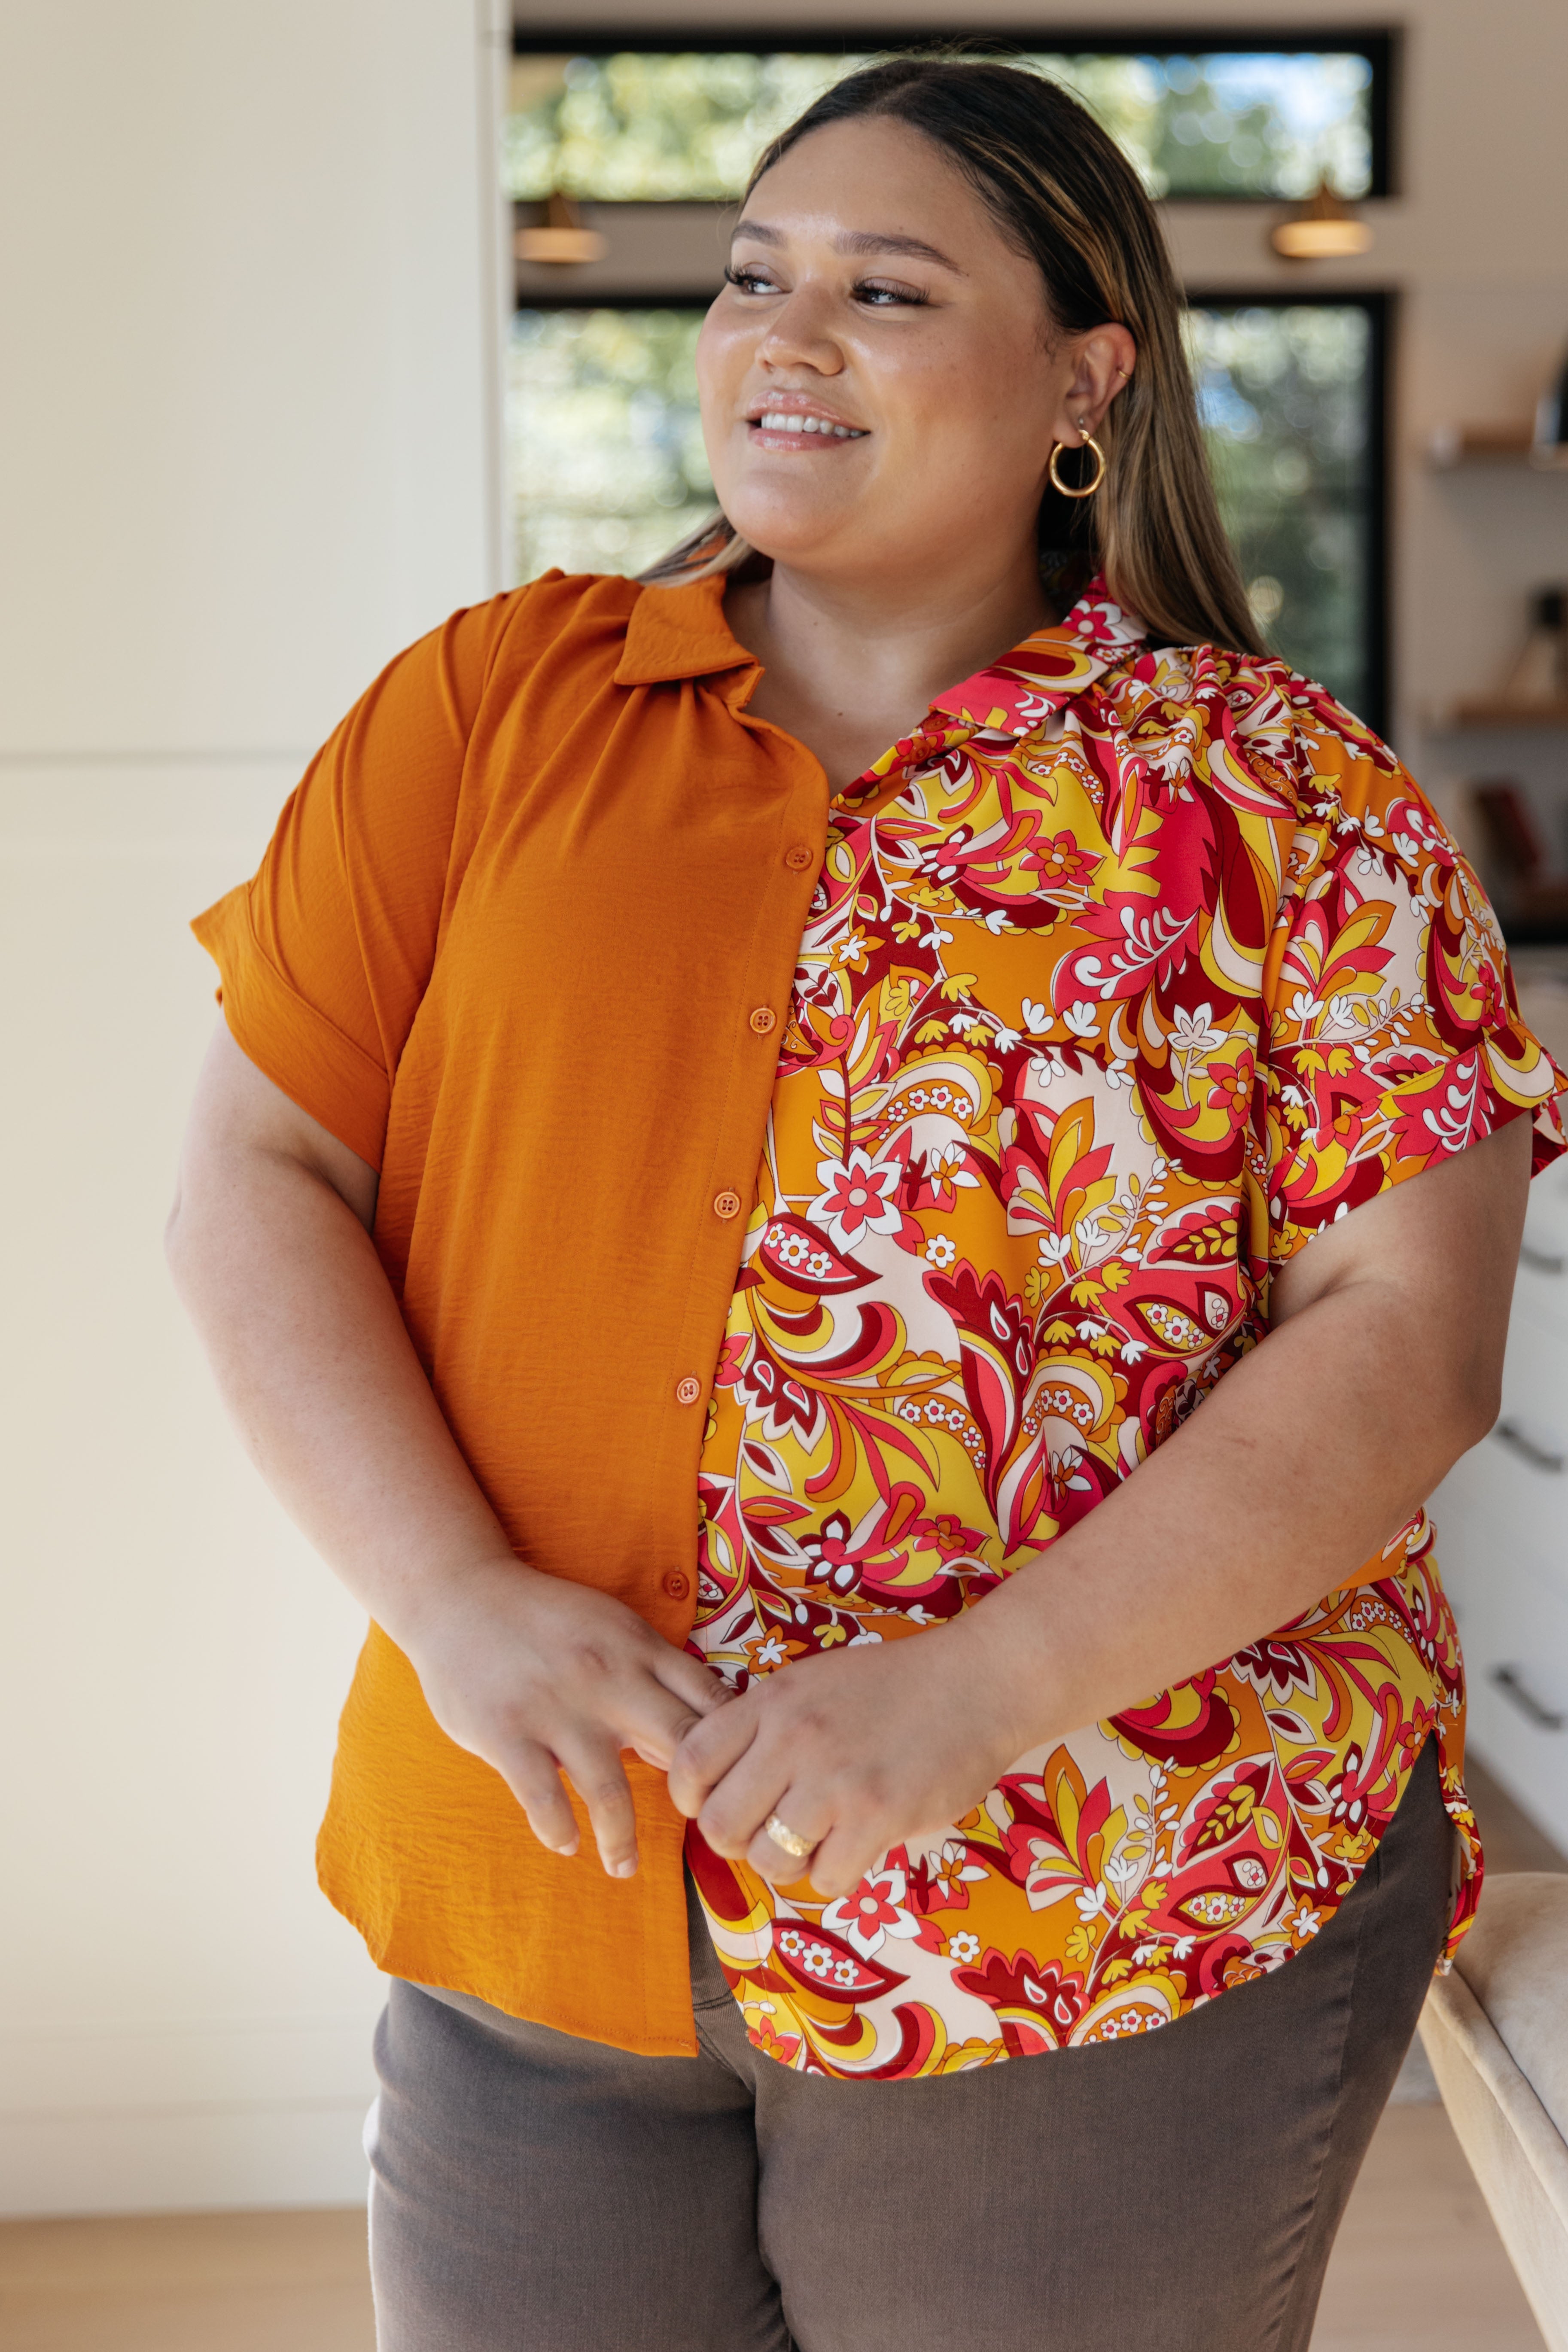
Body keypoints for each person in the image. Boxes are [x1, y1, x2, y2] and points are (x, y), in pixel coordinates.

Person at [167, 55, 1566, 2352]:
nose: (781, 333)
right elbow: (254, 1168)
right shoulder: (492, 709)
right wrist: (449, 1596)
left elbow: (1402, 1342)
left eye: (884, 287)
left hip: (1096, 1907)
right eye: (748, 275)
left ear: (1081, 379)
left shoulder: (1289, 805)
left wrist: (974, 1695)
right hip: (546, 1886)